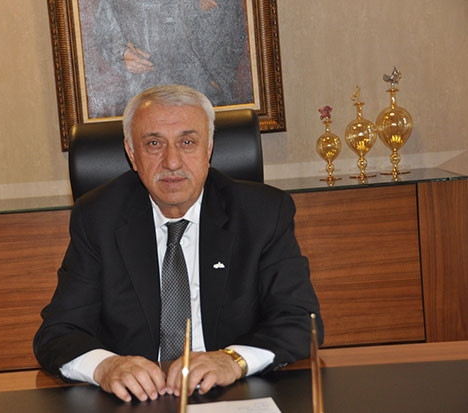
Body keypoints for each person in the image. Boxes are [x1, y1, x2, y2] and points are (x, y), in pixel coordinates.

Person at [34, 84, 323, 403]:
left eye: (187, 142)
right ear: (132, 154)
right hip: (135, 399)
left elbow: (300, 321)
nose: (172, 162)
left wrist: (232, 360)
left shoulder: (262, 214)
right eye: (154, 144)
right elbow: (58, 333)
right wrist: (106, 367)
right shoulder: (98, 218)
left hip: (235, 394)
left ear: (208, 149)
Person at [86, 0, 250, 117]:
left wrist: (216, 81)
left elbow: (233, 32)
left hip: (202, 96)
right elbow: (104, 31)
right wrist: (122, 54)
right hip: (144, 95)